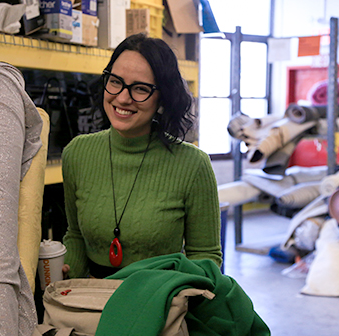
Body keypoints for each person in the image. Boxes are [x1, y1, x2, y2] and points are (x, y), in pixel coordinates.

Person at [61, 33, 222, 279]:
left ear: (162, 98)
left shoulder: (193, 164)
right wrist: (64, 277)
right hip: (89, 301)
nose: (123, 98)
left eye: (140, 89)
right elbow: (75, 236)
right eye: (115, 82)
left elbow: (205, 257)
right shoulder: (77, 154)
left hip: (159, 302)